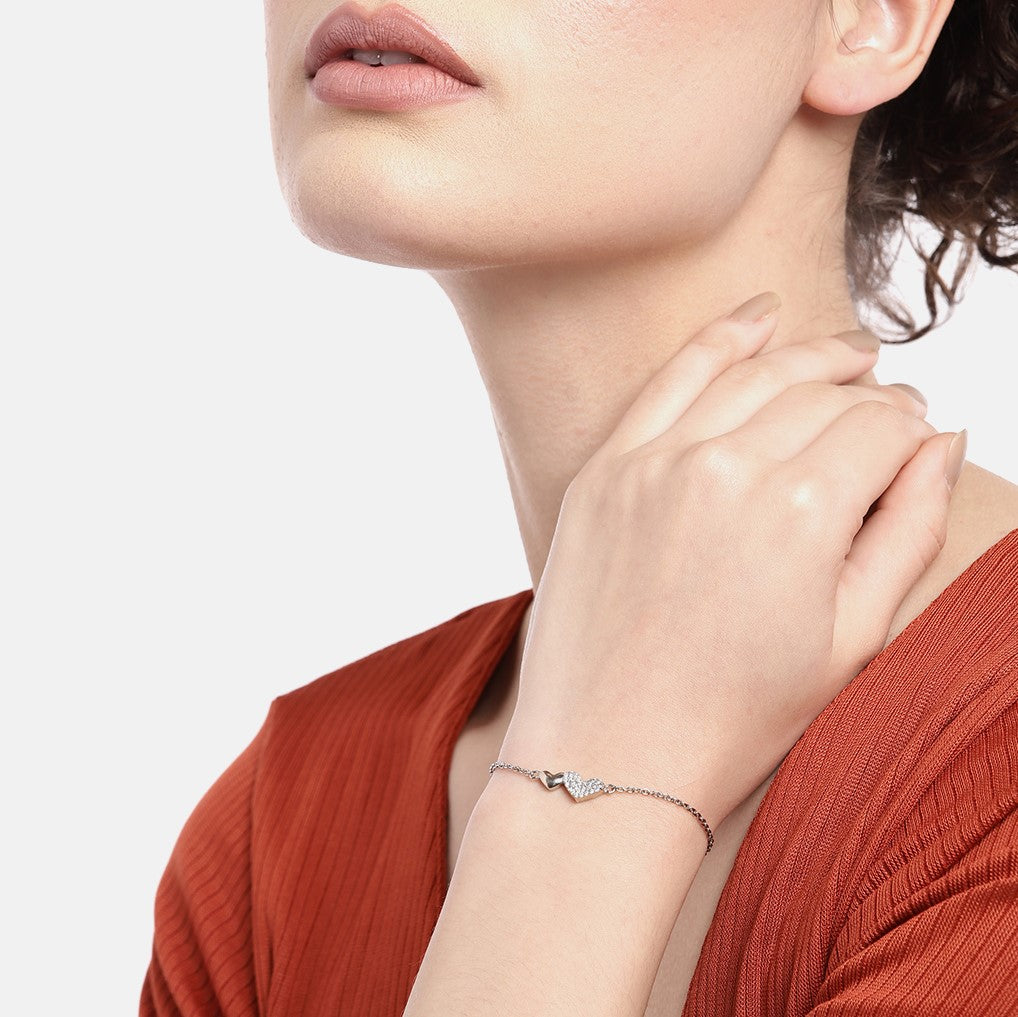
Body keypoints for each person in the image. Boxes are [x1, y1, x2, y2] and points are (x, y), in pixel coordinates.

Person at [141, 0, 1018, 1014]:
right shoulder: (281, 835)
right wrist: (600, 769)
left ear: (872, 18)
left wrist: (588, 790)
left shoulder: (991, 773)